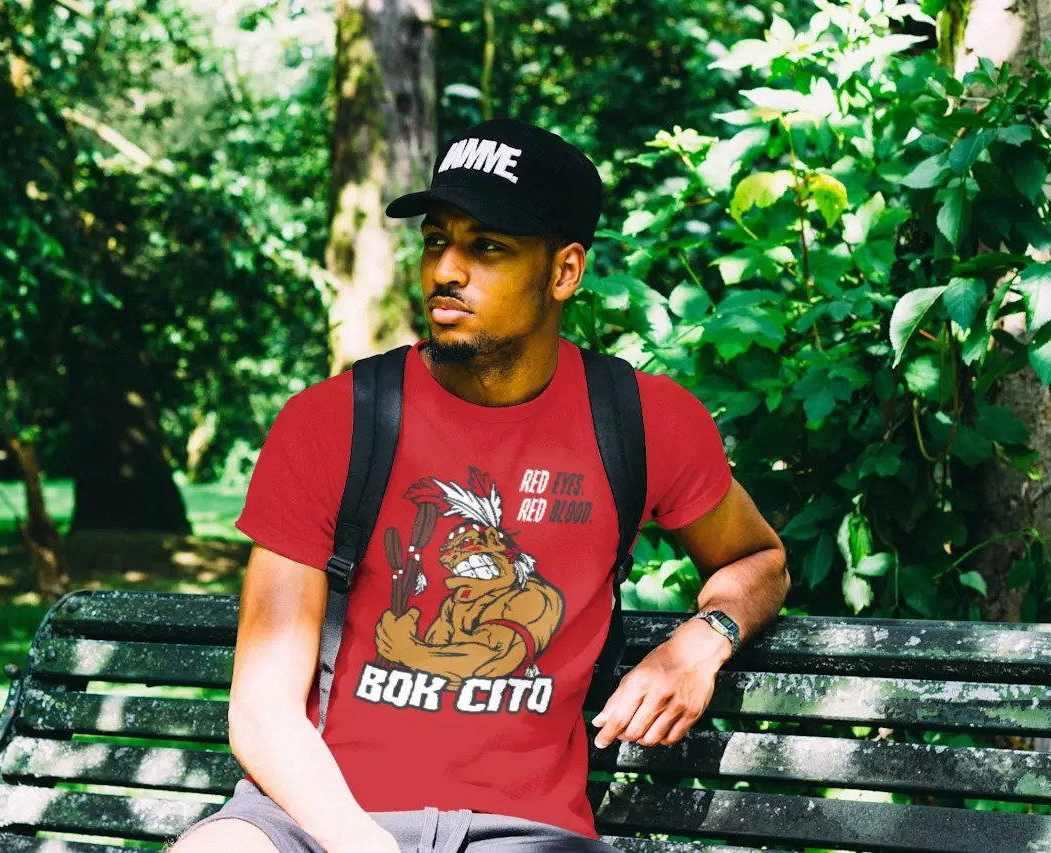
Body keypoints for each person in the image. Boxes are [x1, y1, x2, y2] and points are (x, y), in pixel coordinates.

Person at [171, 118, 789, 853]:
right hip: (315, 815)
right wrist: (359, 842)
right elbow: (263, 708)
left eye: (487, 247)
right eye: (437, 240)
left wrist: (702, 641)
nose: (445, 270)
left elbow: (761, 561)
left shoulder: (641, 422)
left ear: (564, 271)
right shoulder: (333, 423)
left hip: (525, 832)